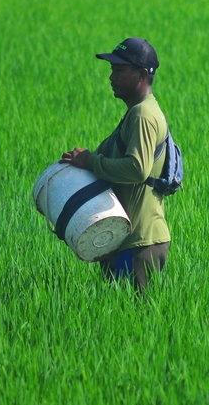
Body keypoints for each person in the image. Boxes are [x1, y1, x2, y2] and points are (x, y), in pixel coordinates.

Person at [60, 37, 171, 290]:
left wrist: (91, 161)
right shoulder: (138, 112)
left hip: (139, 242)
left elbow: (137, 169)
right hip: (127, 240)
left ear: (142, 74)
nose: (111, 77)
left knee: (135, 322)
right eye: (112, 69)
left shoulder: (142, 114)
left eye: (119, 70)